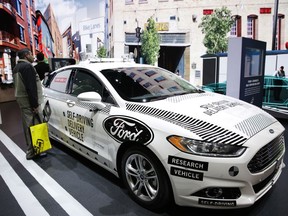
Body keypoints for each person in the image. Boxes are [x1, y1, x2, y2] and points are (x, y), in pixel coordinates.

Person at [12, 48, 45, 160]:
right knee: (34, 126)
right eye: (31, 54)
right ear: (26, 55)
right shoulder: (27, 67)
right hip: (29, 101)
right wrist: (35, 105)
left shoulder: (17, 67)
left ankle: (35, 150)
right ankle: (33, 151)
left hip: (22, 100)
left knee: (28, 125)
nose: (33, 56)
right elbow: (31, 87)